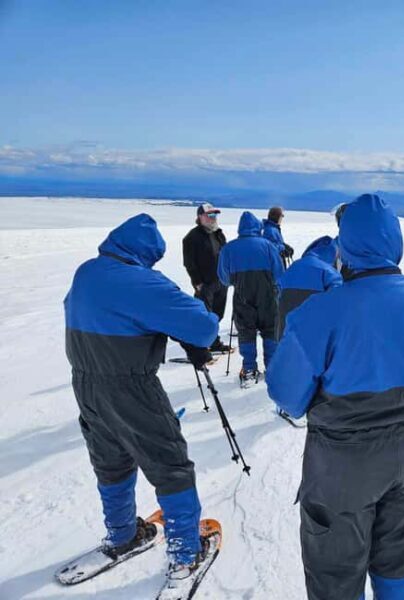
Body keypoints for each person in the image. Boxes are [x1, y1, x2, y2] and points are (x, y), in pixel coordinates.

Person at [266, 194, 404, 600]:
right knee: (400, 554)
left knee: (334, 567)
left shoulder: (321, 312)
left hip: (344, 461)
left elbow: (287, 394)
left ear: (345, 244)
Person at [64, 214, 219, 583]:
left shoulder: (86, 272)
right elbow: (204, 327)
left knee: (110, 459)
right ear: (147, 254)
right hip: (131, 386)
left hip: (85, 383)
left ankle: (122, 534)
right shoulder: (144, 282)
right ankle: (185, 553)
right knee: (170, 463)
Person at [216, 211, 285, 388]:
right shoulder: (268, 246)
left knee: (246, 330)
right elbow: (279, 273)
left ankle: (249, 370)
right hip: (268, 295)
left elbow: (224, 278)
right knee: (270, 330)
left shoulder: (229, 248)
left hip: (242, 295)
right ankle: (273, 369)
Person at [182, 202, 230, 353]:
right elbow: (189, 263)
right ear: (200, 217)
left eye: (214, 215)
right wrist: (197, 282)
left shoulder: (218, 233)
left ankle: (214, 342)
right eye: (209, 215)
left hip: (221, 281)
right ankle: (200, 347)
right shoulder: (192, 237)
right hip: (205, 283)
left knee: (217, 315)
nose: (213, 218)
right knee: (204, 317)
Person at [277, 235, 342, 337]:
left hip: (286, 327)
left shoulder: (294, 266)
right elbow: (338, 296)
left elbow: (279, 286)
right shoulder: (328, 271)